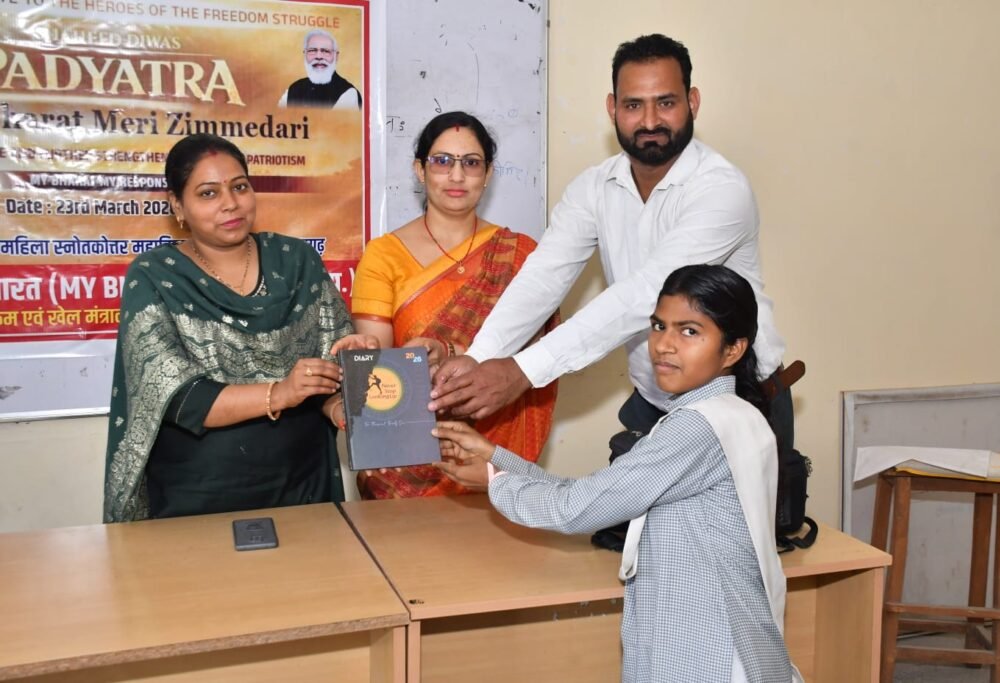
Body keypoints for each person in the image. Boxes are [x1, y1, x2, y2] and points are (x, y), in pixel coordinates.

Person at [428, 34, 791, 461]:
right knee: (614, 508)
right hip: (656, 402)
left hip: (739, 402)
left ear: (693, 102)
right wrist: (480, 356)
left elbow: (648, 294)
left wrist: (522, 371)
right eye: (634, 105)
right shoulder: (593, 188)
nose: (650, 121)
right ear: (612, 108)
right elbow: (545, 276)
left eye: (666, 102)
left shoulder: (722, 190)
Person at [434, 264, 802, 683]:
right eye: (659, 326)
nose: (664, 345)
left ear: (733, 350)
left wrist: (494, 482)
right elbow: (599, 494)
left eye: (689, 331)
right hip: (723, 637)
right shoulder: (736, 415)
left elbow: (577, 509)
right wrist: (496, 459)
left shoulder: (697, 427)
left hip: (703, 650)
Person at [103, 133, 373, 522]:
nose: (230, 203)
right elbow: (177, 396)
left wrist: (346, 392)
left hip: (302, 484)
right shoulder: (155, 276)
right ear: (177, 205)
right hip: (197, 493)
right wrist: (280, 393)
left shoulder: (295, 261)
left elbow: (328, 374)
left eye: (240, 187)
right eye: (208, 193)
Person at [349, 111, 558, 499]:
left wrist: (453, 351)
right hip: (408, 461)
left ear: (488, 173)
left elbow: (538, 357)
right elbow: (377, 365)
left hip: (494, 456)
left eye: (471, 163)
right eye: (442, 161)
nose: (457, 175)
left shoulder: (521, 255)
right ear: (420, 170)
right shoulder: (383, 256)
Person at [278, 29, 362, 109]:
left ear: (336, 56)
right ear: (305, 54)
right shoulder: (294, 88)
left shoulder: (348, 93)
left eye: (325, 51)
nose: (318, 56)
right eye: (312, 50)